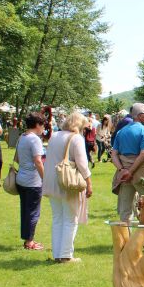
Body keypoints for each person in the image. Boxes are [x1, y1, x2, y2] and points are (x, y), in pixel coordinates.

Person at [42, 112, 93, 262]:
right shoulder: (76, 138)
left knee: (57, 218)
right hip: (67, 182)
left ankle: (58, 254)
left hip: (52, 180)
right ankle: (65, 255)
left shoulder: (55, 136)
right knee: (71, 219)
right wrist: (89, 182)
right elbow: (82, 164)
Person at [111, 102, 144, 222]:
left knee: (125, 211)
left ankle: (125, 240)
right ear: (140, 115)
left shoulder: (121, 131)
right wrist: (130, 171)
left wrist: (122, 170)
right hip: (140, 174)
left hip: (124, 174)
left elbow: (114, 154)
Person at [16, 112, 46, 251]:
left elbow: (16, 158)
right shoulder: (35, 139)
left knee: (25, 211)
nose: (43, 128)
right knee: (33, 213)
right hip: (32, 182)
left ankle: (27, 239)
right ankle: (29, 242)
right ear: (37, 125)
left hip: (21, 178)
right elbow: (38, 161)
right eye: (43, 125)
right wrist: (45, 179)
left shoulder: (22, 136)